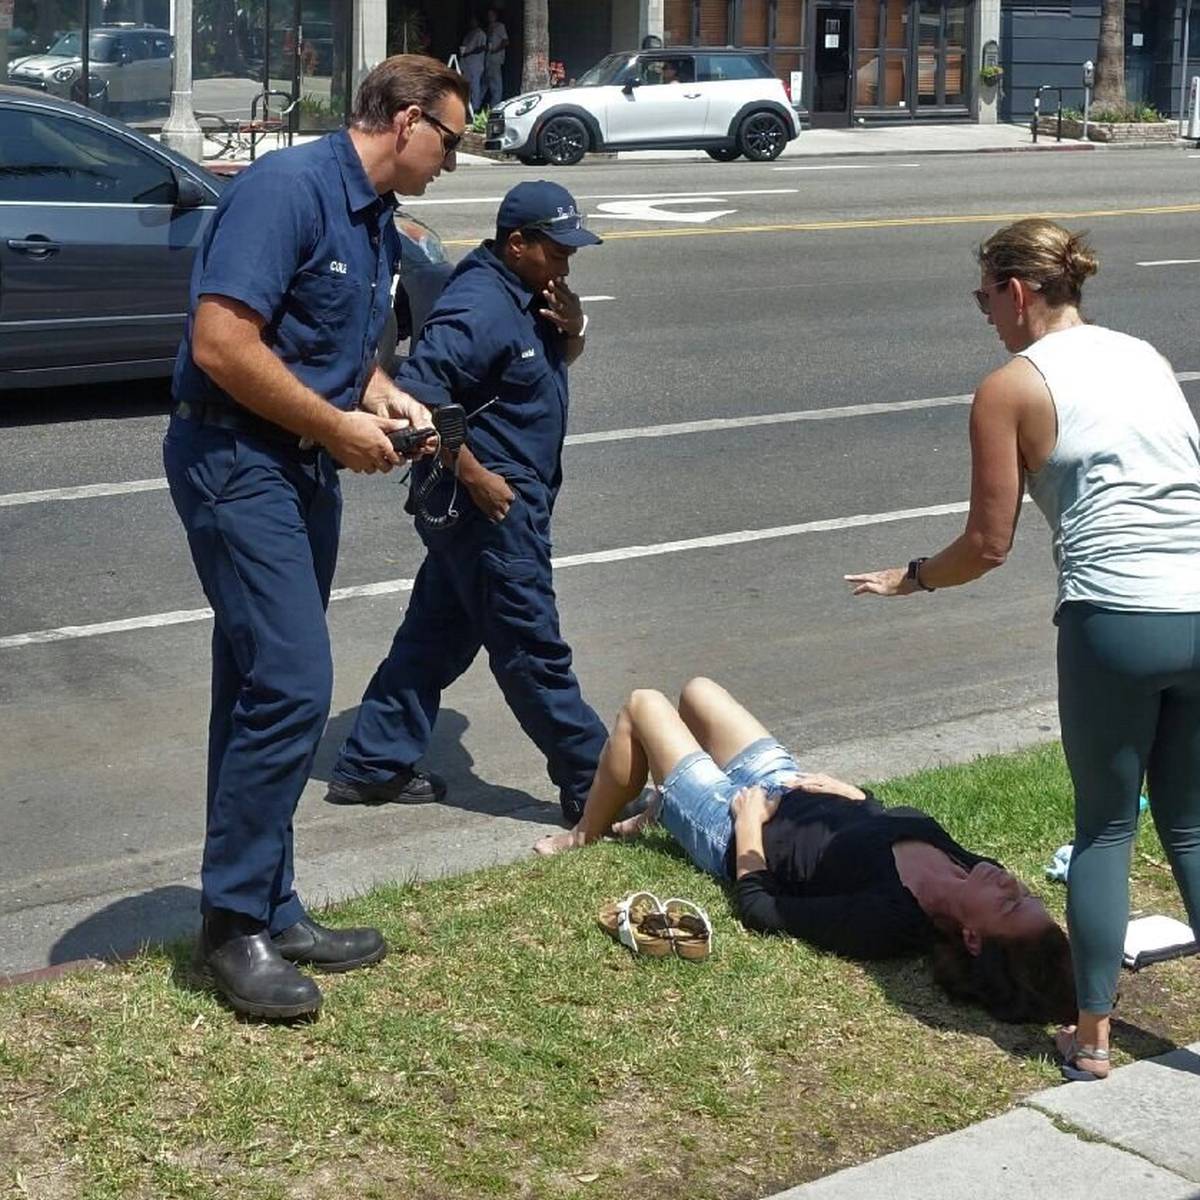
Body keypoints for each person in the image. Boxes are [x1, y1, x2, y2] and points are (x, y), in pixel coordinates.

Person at [846, 218, 1200, 1078]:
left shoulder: (1009, 388)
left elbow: (988, 544)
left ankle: (1093, 1036)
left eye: (983, 299)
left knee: (1107, 827)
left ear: (1017, 290)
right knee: (1190, 822)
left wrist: (915, 577)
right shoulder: (1143, 355)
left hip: (1114, 616)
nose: (986, 317)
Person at [163, 56, 470, 1020]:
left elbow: (335, 354)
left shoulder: (374, 220)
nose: (453, 163)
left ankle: (269, 902)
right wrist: (336, 427)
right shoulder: (286, 190)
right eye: (451, 141)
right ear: (409, 121)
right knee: (295, 683)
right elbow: (222, 344)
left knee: (259, 685)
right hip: (236, 459)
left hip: (297, 467)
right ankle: (231, 929)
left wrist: (385, 401)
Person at [536, 677, 1076, 1025]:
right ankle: (658, 803)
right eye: (1025, 893)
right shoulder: (976, 871)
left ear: (973, 939)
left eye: (1009, 903)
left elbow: (762, 909)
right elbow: (888, 827)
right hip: (790, 785)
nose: (1010, 883)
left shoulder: (886, 921)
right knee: (698, 693)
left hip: (732, 824)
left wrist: (747, 826)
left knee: (642, 706)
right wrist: (859, 797)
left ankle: (586, 831)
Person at [325, 181, 608, 826]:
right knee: (531, 646)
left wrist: (574, 327)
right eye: (557, 250)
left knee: (436, 635)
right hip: (489, 508)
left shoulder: (527, 294)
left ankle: (372, 763)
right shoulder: (479, 305)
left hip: (505, 502)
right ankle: (593, 781)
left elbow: (532, 369)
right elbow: (416, 401)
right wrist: (475, 474)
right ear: (518, 243)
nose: (567, 262)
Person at [459, 14, 486, 113]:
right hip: (467, 63)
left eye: (474, 20)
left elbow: (482, 47)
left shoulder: (480, 33)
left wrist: (469, 52)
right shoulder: (469, 34)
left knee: (475, 85)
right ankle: (468, 105)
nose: (472, 22)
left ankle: (476, 107)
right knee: (467, 85)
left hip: (475, 63)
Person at [483, 7, 509, 109]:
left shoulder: (500, 26)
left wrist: (496, 50)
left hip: (495, 57)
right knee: (486, 80)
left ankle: (496, 105)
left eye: (492, 15)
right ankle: (477, 104)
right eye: (488, 15)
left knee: (495, 82)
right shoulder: (489, 27)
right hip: (488, 57)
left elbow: (505, 41)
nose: (490, 17)